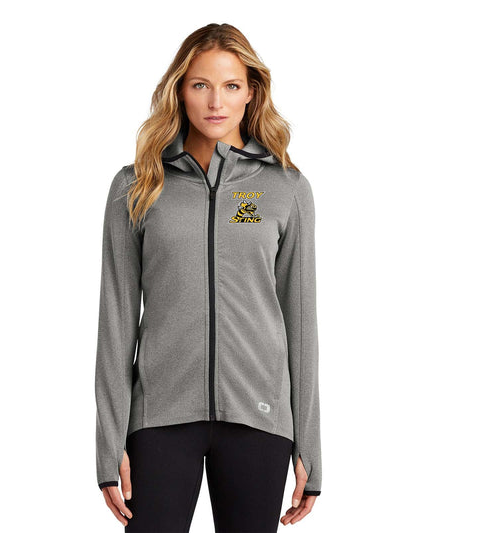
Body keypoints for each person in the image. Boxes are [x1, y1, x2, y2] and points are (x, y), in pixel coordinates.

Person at [95, 22, 322, 532]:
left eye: (231, 85)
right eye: (200, 84)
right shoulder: (137, 186)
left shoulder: (285, 188)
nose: (216, 101)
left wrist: (310, 446)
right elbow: (116, 323)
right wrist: (109, 440)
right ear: (179, 90)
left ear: (251, 92)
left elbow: (301, 322)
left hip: (259, 418)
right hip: (159, 419)